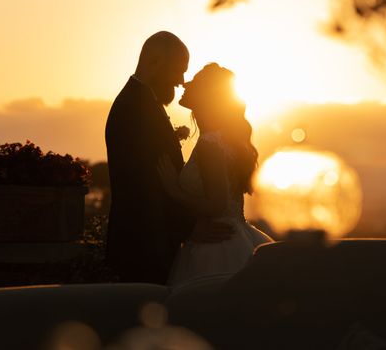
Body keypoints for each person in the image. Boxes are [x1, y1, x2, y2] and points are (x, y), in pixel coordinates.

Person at [105, 32, 232, 284]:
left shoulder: (144, 103)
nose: (180, 81)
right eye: (177, 70)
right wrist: (189, 228)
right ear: (154, 62)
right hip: (144, 247)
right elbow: (142, 187)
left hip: (155, 244)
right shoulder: (133, 109)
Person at [156, 63, 273, 287]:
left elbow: (217, 204)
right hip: (231, 237)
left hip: (217, 245)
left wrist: (174, 190)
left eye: (196, 81)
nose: (186, 84)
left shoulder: (210, 143)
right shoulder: (220, 139)